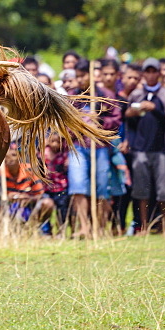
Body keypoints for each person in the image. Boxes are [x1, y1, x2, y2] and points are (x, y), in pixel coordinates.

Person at [66, 60, 112, 239]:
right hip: (78, 147)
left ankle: (99, 227)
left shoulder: (105, 95)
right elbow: (65, 122)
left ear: (92, 75)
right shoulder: (72, 97)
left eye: (83, 75)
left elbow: (115, 120)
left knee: (101, 187)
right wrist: (78, 124)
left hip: (99, 147)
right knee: (78, 186)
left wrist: (99, 120)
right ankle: (84, 226)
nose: (80, 80)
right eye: (77, 76)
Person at [124, 58, 165, 234]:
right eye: (148, 71)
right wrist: (136, 110)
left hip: (160, 148)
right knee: (141, 190)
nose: (151, 75)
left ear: (159, 73)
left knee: (162, 191)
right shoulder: (136, 94)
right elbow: (127, 116)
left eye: (154, 71)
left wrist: (154, 108)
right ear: (143, 74)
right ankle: (143, 226)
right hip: (140, 148)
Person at [3, 144, 54, 229]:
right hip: (8, 207)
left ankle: (37, 229)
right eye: (6, 156)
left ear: (20, 157)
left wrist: (28, 198)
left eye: (14, 155)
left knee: (47, 203)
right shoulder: (0, 173)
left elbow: (40, 194)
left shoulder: (29, 170)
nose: (10, 159)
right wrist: (9, 197)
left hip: (29, 205)